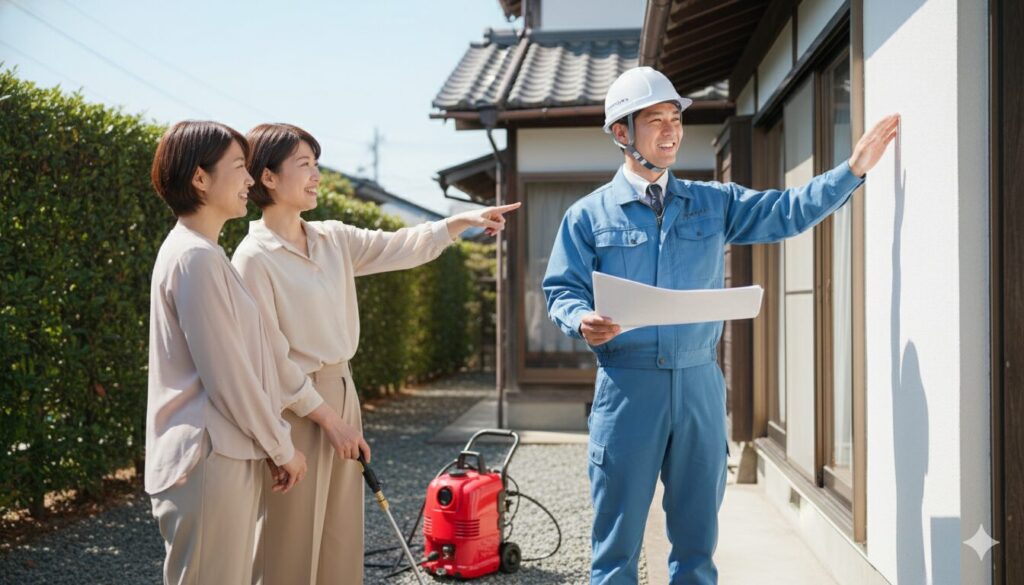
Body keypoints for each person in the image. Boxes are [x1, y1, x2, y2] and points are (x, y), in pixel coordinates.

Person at [542, 66, 899, 585]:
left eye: (675, 119)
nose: (670, 131)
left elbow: (788, 211)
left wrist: (851, 169)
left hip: (699, 387)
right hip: (626, 388)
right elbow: (561, 291)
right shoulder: (587, 216)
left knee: (696, 544)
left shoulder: (713, 202)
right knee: (615, 547)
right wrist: (581, 320)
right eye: (654, 120)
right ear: (621, 132)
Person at [231, 123, 520, 585]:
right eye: (304, 165)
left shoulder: (332, 238)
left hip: (342, 389)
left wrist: (461, 222)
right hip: (292, 408)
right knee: (289, 536)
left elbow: (399, 246)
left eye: (317, 165)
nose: (316, 176)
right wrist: (328, 419)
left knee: (340, 532)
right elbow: (270, 358)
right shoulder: (252, 257)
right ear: (267, 176)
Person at [146, 120, 312, 585]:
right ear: (200, 178)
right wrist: (282, 447)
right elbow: (230, 377)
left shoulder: (202, 253)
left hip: (219, 457)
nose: (249, 179)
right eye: (239, 167)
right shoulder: (196, 258)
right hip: (208, 459)